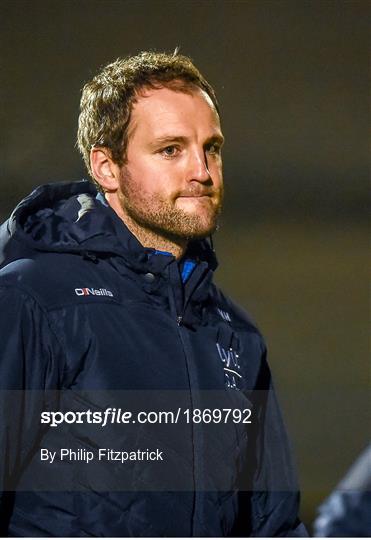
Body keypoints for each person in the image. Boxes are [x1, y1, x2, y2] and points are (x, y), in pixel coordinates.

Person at [0, 51, 307, 536]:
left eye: (212, 148)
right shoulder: (31, 300)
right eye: (171, 150)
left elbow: (274, 526)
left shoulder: (236, 336)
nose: (202, 171)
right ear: (106, 167)